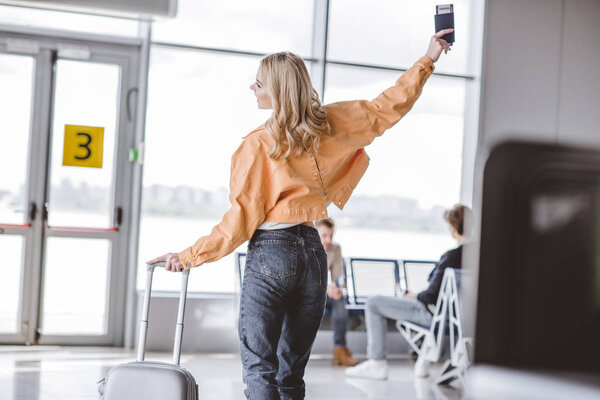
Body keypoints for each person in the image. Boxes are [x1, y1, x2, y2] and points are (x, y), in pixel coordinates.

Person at [148, 28, 454, 400]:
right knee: (291, 374)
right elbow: (386, 107)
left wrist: (187, 256)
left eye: (258, 84)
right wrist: (428, 59)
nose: (252, 89)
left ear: (276, 91)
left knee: (261, 367)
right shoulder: (332, 123)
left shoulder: (258, 144)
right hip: (313, 253)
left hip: (272, 252)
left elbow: (240, 221)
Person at [344, 204, 472, 380]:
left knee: (373, 303)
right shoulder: (483, 257)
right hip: (467, 320)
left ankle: (377, 362)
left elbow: (431, 295)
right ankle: (422, 362)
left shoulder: (452, 257)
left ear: (452, 228)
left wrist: (415, 296)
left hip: (436, 316)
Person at [315, 218, 359, 366]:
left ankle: (339, 350)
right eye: (324, 235)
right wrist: (325, 288)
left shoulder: (335, 249)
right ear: (315, 233)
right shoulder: (307, 246)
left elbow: (338, 275)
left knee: (340, 299)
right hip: (307, 292)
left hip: (325, 293)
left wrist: (336, 288)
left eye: (331, 236)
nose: (328, 240)